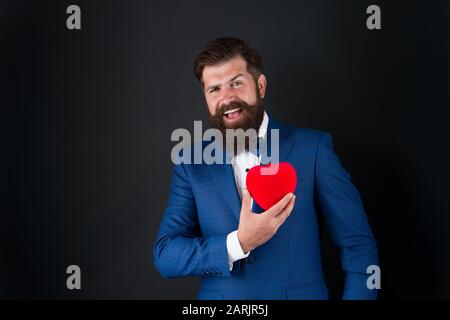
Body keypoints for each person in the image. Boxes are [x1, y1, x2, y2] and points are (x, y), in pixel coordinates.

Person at [153, 37, 379, 300]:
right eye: (214, 89)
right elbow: (165, 256)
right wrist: (238, 243)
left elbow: (358, 245)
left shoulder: (313, 149)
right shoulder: (191, 163)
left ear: (260, 86)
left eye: (236, 83)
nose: (227, 98)